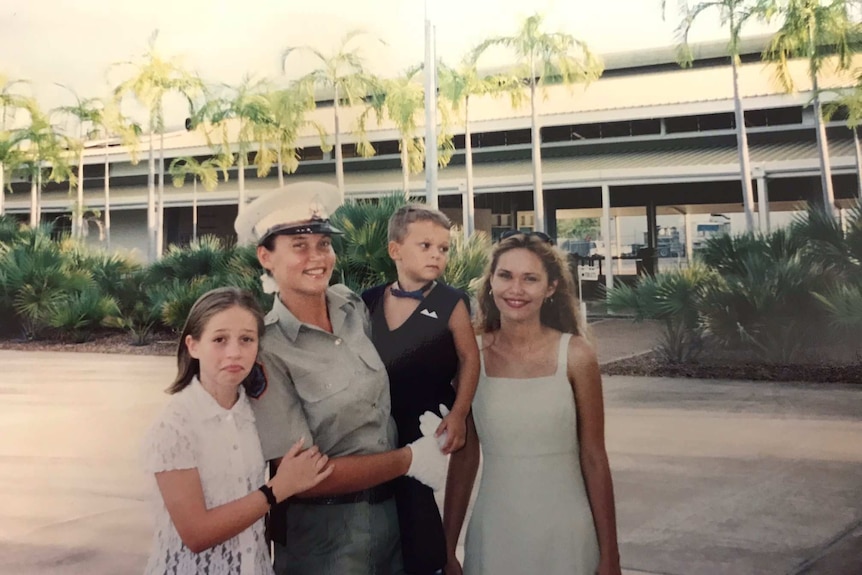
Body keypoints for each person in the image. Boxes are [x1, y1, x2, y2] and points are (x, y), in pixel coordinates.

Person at [234, 182, 449, 575]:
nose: (316, 257)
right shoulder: (267, 350)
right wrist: (410, 459)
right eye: (299, 246)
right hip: (325, 540)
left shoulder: (352, 307)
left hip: (394, 520)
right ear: (266, 256)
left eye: (323, 243)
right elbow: (303, 477)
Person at [456, 231, 622, 575]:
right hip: (494, 534)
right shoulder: (470, 355)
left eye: (530, 279)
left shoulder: (576, 355)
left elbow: (594, 456)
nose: (515, 290)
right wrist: (446, 546)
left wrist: (611, 556)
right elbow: (465, 456)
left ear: (550, 288)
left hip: (567, 536)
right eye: (505, 276)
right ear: (490, 282)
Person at [142, 287, 334, 575]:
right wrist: (278, 489)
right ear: (193, 345)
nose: (234, 352)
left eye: (246, 339)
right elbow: (196, 534)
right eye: (220, 339)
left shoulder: (257, 413)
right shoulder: (175, 425)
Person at [361, 205, 480, 575]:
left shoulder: (450, 302)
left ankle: (436, 561)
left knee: (417, 505)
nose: (436, 255)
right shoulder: (368, 301)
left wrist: (459, 413)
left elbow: (469, 358)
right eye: (425, 245)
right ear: (395, 250)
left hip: (426, 423)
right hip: (380, 423)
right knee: (382, 510)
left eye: (443, 249)